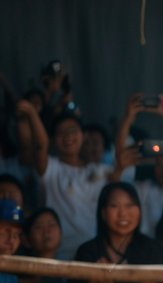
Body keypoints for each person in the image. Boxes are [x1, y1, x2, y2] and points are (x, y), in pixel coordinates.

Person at [17, 103, 119, 259]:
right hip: (59, 253)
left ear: (83, 135)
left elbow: (121, 167)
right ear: (52, 140)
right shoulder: (51, 168)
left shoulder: (100, 170)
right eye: (61, 133)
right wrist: (32, 114)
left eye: (73, 130)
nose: (68, 136)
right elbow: (39, 145)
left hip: (95, 253)